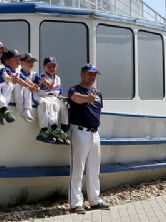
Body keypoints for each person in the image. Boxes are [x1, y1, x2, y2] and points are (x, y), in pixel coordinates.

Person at [67, 64, 109, 214]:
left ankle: (94, 200)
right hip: (79, 132)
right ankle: (75, 203)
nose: (92, 77)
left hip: (95, 134)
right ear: (82, 74)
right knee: (77, 168)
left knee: (93, 168)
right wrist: (87, 98)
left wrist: (92, 97)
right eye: (90, 74)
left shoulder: (98, 93)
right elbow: (75, 99)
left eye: (95, 74)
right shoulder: (75, 89)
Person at [34, 57, 69, 144]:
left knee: (64, 106)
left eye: (54, 66)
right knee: (51, 105)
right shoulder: (42, 76)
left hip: (54, 97)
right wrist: (46, 83)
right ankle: (53, 129)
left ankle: (63, 131)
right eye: (49, 66)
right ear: (44, 67)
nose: (52, 68)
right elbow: (42, 83)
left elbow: (59, 92)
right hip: (44, 97)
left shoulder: (57, 78)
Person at [14, 53, 40, 122]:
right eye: (28, 61)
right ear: (21, 63)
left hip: (32, 101)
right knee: (24, 86)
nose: (31, 63)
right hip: (18, 99)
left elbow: (39, 85)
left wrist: (38, 87)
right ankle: (22, 111)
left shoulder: (34, 74)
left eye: (32, 61)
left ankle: (27, 111)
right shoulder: (18, 72)